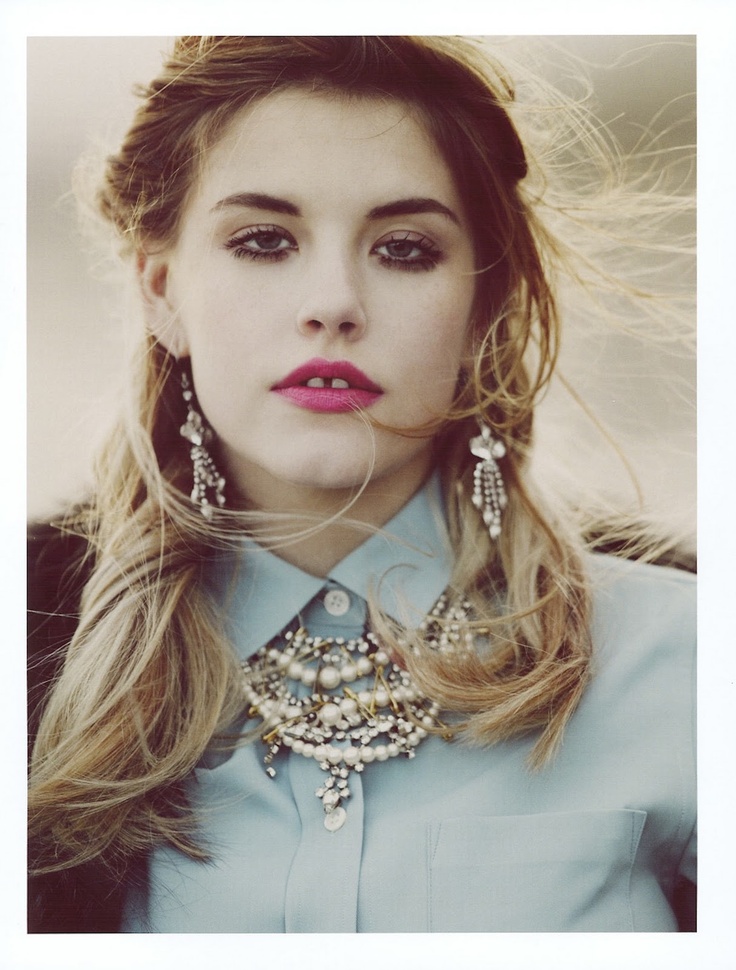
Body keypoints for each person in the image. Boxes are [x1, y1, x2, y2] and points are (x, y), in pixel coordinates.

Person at [27, 35, 695, 933]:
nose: (334, 300)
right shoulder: (36, 659)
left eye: (405, 249)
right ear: (161, 290)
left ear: (482, 309)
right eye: (265, 241)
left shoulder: (683, 658)